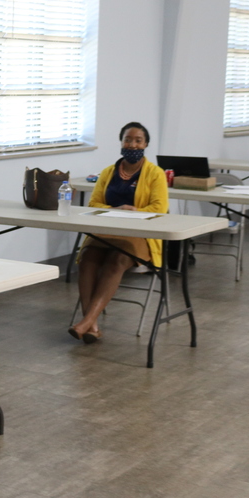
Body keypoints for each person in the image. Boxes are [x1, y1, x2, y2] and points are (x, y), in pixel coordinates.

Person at [70, 122, 168, 343]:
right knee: (87, 258)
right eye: (127, 139)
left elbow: (159, 209)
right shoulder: (108, 172)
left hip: (141, 234)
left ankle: (85, 322)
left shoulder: (155, 174)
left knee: (117, 260)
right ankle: (92, 325)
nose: (132, 144)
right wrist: (116, 210)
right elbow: (94, 203)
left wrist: (135, 211)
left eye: (137, 140)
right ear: (121, 142)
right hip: (107, 232)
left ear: (146, 144)